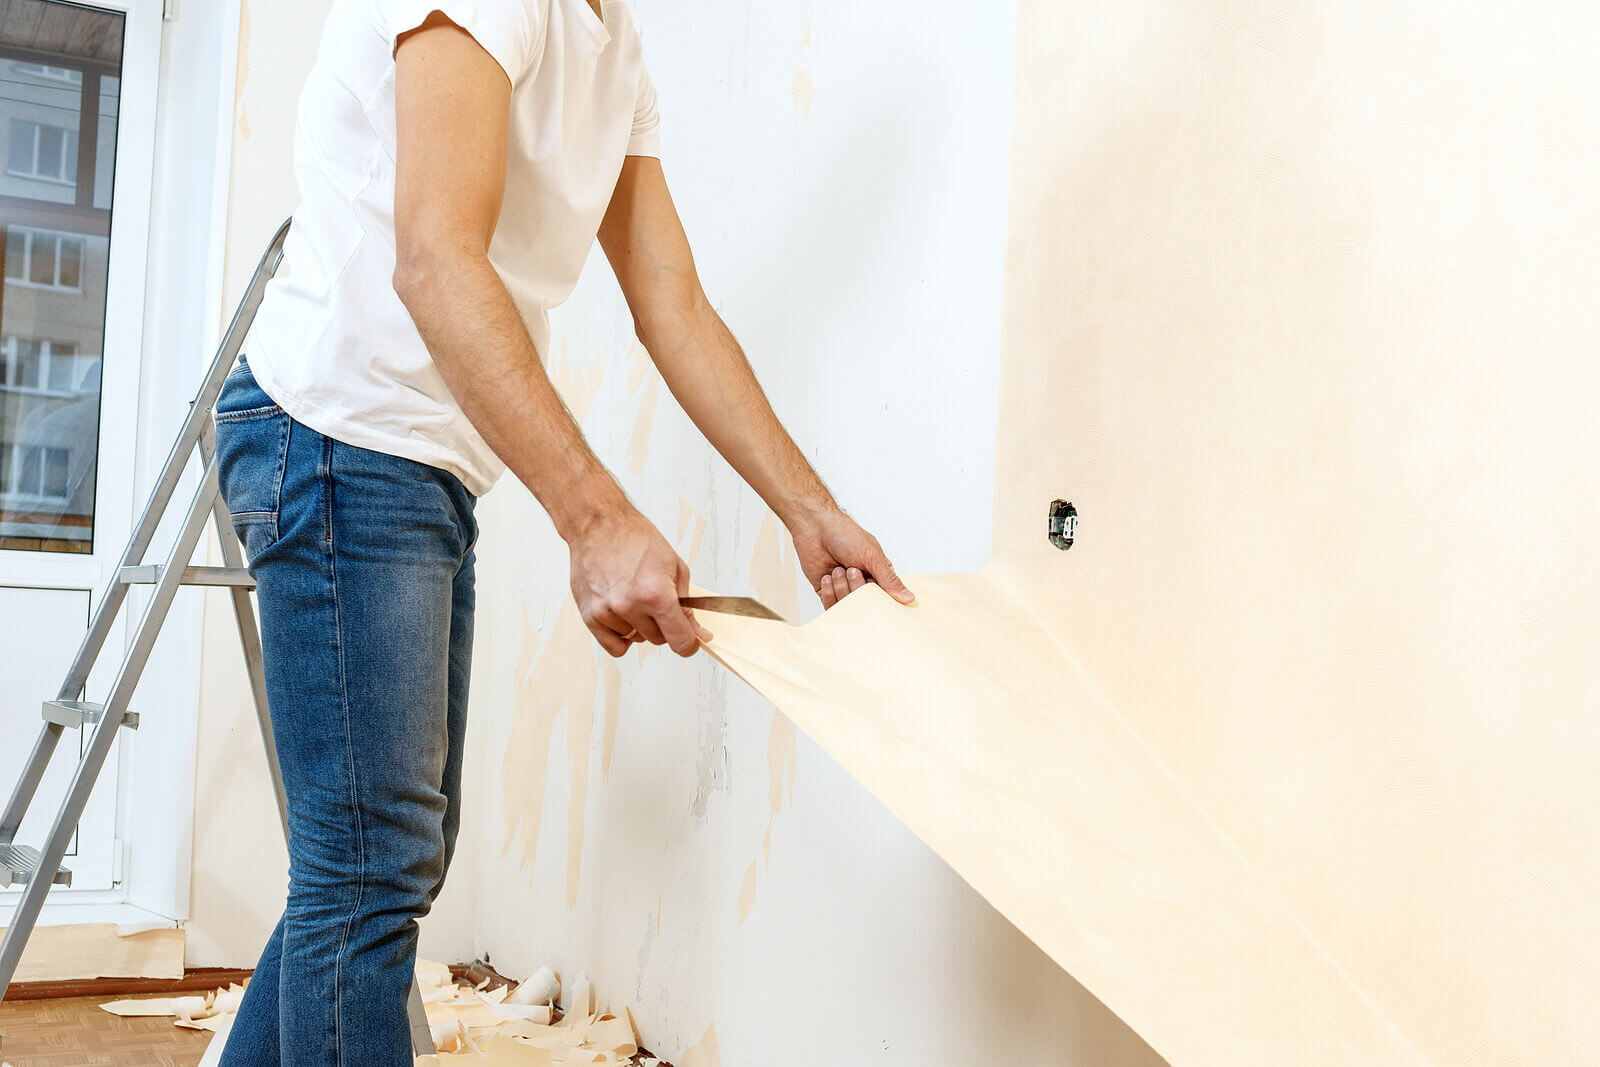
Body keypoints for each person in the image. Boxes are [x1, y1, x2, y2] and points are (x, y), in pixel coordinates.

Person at [212, 1, 914, 1063]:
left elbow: (669, 298)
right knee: (369, 866)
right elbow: (434, 260)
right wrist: (593, 519)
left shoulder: (610, 42)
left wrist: (809, 512)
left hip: (417, 457)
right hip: (336, 433)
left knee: (383, 858)